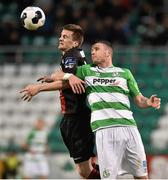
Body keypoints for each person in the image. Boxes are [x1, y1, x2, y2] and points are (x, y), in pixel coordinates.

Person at [46, 40, 161, 179]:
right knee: (108, 177)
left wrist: (148, 102)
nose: (92, 52)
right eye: (92, 50)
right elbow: (58, 74)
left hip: (130, 129)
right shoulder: (87, 70)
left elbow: (139, 100)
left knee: (141, 176)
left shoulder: (125, 73)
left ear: (108, 52)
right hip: (104, 130)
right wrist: (69, 76)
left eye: (96, 49)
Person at [20, 24, 100, 179]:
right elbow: (69, 77)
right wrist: (56, 75)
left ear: (75, 43)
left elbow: (69, 81)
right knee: (87, 168)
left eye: (65, 37)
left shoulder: (70, 54)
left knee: (84, 170)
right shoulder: (77, 54)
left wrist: (39, 88)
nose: (60, 38)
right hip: (78, 115)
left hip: (76, 117)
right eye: (61, 35)